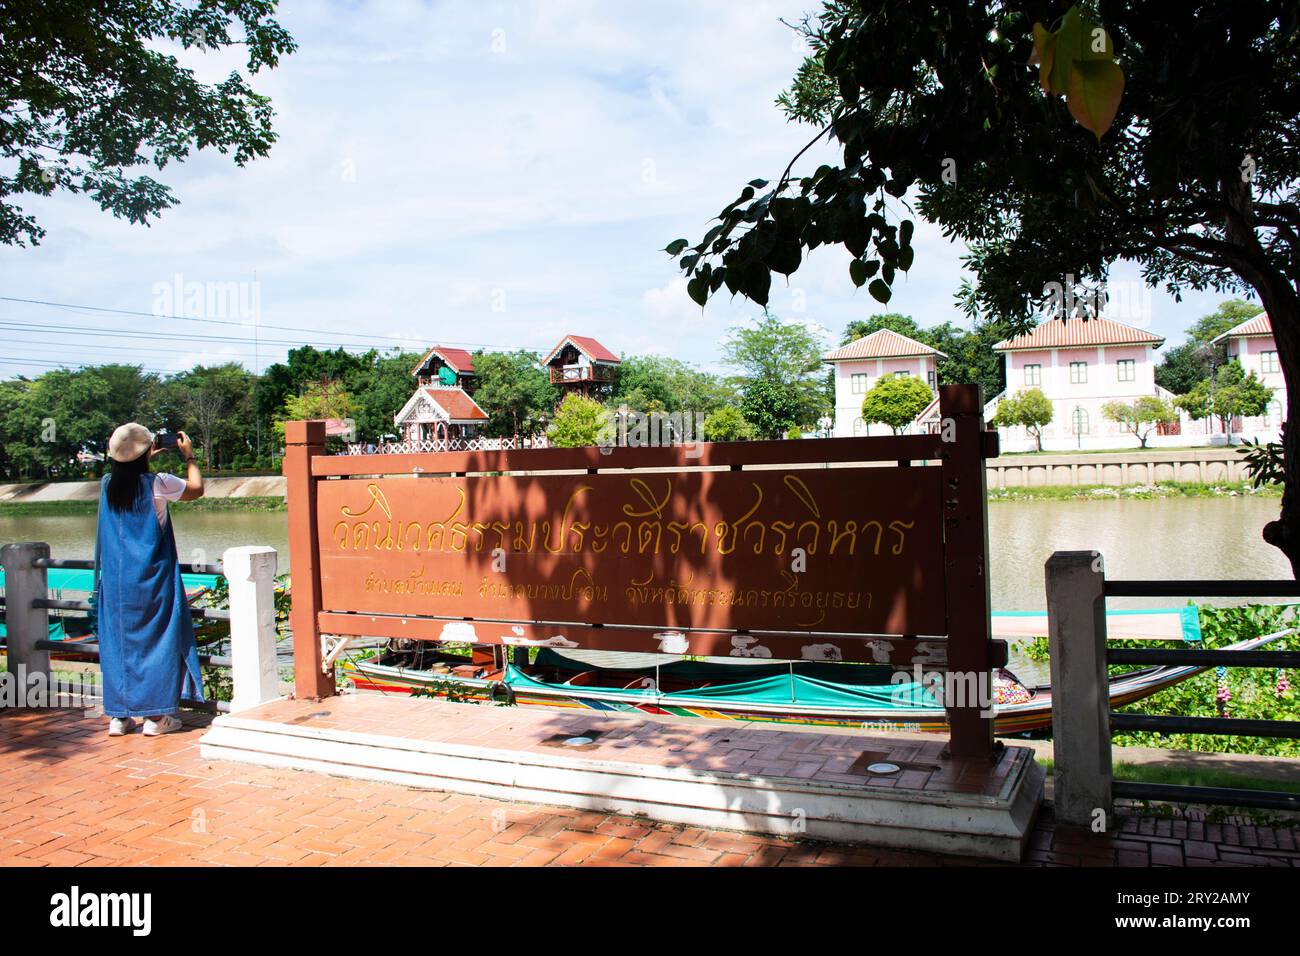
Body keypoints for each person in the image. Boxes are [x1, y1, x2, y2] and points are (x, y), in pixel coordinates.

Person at [96, 424, 206, 737]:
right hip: (152, 580)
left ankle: (120, 716)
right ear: (147, 454)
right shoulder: (159, 483)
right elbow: (197, 489)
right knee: (156, 642)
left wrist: (142, 454)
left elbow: (128, 475)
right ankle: (156, 719)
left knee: (120, 644)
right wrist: (189, 456)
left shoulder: (106, 485)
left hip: (117, 584)